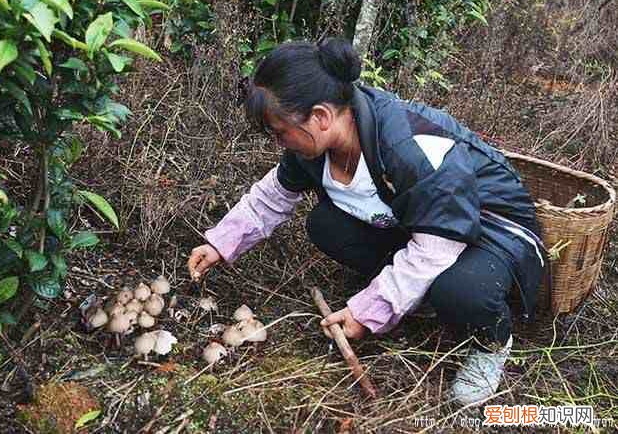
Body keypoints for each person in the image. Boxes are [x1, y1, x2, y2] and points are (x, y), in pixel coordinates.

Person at [187, 38, 546, 406]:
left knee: (460, 290)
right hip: (418, 222)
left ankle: (492, 343)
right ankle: (418, 298)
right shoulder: (312, 145)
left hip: (489, 230)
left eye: (280, 132)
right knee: (326, 225)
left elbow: (437, 245)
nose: (279, 142)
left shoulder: (408, 148)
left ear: (321, 117)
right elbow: (273, 196)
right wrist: (221, 243)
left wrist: (373, 309)